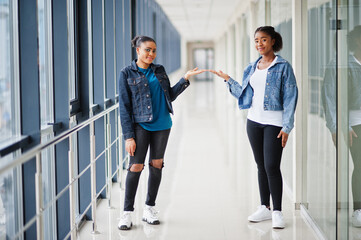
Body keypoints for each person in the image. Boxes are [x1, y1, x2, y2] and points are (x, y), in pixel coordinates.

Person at [209, 26, 298, 229]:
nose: (259, 44)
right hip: (253, 121)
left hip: (274, 123)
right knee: (260, 166)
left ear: (273, 41)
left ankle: (277, 212)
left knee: (272, 167)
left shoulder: (283, 66)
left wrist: (287, 126)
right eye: (257, 40)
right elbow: (244, 94)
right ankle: (264, 207)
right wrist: (227, 79)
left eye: (264, 40)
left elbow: (291, 97)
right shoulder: (251, 67)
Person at [117, 35, 205, 230]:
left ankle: (149, 208)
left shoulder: (160, 70)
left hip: (163, 124)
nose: (151, 54)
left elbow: (170, 96)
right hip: (140, 125)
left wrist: (185, 79)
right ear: (138, 50)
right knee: (135, 167)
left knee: (156, 165)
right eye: (147, 50)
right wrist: (128, 136)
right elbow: (124, 107)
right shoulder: (126, 73)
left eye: (154, 50)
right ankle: (127, 213)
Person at [322, 25, 361, 227]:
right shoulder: (340, 64)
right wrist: (337, 126)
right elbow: (330, 98)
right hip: (352, 123)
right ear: (357, 41)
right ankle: (358, 209)